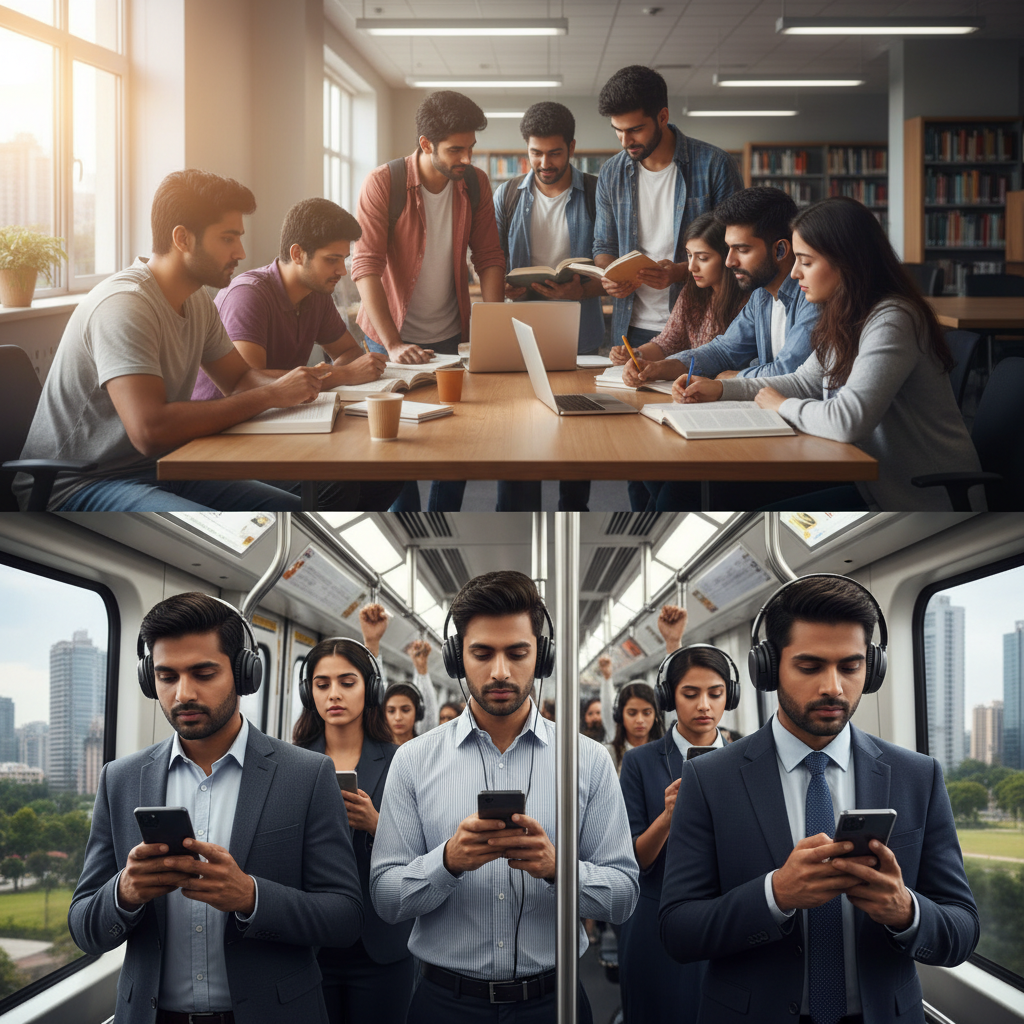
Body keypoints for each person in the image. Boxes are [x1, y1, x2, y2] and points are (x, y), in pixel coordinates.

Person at [659, 574, 980, 1024]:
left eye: (850, 667)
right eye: (810, 667)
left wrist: (905, 911)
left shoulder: (917, 776)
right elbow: (678, 930)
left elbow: (962, 928)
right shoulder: (708, 779)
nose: (834, 687)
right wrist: (776, 894)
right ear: (768, 670)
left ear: (871, 669)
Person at [68, 593, 364, 1023]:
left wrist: (251, 897)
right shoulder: (121, 778)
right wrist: (126, 892)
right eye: (166, 676)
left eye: (203, 673)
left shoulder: (307, 774)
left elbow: (345, 917)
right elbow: (83, 927)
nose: (183, 693)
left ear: (244, 674)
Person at [369, 570, 638, 1023]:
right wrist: (448, 861)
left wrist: (559, 870)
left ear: (542, 657)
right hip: (443, 1002)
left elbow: (624, 896)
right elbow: (386, 898)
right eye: (481, 653)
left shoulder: (587, 761)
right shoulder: (413, 760)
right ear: (457, 659)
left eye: (517, 653)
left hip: (555, 1001)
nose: (499, 671)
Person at [16, 170, 334, 512]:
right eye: (228, 238)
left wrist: (296, 388)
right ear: (182, 238)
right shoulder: (125, 305)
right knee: (230, 535)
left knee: (297, 514)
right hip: (79, 483)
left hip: (164, 467)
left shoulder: (196, 299)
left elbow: (239, 379)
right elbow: (149, 431)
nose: (241, 252)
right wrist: (271, 394)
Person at [676, 196, 985, 512]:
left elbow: (847, 420)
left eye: (806, 262)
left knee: (720, 496)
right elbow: (803, 381)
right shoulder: (847, 316)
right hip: (867, 479)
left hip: (916, 496)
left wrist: (782, 406)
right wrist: (720, 389)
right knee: (711, 492)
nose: (794, 273)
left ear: (847, 262)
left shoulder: (893, 319)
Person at [191, 196, 402, 512]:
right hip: (225, 436)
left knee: (390, 471)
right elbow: (249, 383)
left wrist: (339, 371)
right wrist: (342, 375)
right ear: (297, 254)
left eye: (344, 259)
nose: (342, 271)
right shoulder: (249, 295)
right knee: (336, 487)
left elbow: (347, 352)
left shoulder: (315, 294)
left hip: (278, 421)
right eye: (332, 259)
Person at [593, 65, 741, 510]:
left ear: (662, 116)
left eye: (634, 128)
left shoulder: (714, 164)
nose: (626, 141)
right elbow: (603, 245)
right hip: (638, 329)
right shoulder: (613, 172)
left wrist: (680, 272)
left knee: (687, 453)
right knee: (637, 458)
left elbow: (737, 249)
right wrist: (610, 275)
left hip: (710, 328)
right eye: (617, 131)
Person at [352, 91, 505, 513]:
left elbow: (489, 257)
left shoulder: (473, 182)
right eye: (455, 150)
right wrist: (394, 342)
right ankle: (407, 522)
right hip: (389, 336)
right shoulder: (384, 182)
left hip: (449, 335)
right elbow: (365, 264)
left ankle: (442, 517)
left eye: (470, 148)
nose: (466, 158)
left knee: (455, 445)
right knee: (395, 447)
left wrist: (489, 329)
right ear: (425, 145)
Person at [292, 636, 415, 1024]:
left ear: (370, 689)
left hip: (381, 944)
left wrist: (376, 823)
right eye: (322, 684)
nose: (334, 695)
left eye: (347, 682)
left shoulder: (402, 761)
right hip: (309, 943)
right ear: (308, 692)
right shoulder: (289, 762)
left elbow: (427, 854)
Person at [618, 644, 740, 1024]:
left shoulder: (748, 754)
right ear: (671, 698)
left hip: (734, 914)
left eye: (715, 694)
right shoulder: (640, 761)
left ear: (729, 697)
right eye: (690, 694)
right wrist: (669, 816)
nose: (704, 705)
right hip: (659, 920)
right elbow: (633, 857)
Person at [494, 101, 605, 513]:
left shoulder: (596, 192)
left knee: (577, 434)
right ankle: (516, 514)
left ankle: (573, 511)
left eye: (554, 153)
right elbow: (490, 258)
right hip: (522, 329)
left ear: (571, 148)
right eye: (535, 153)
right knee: (518, 434)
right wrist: (505, 286)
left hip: (580, 330)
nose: (544, 162)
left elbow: (611, 266)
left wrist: (580, 292)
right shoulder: (506, 194)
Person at [624, 186, 816, 385]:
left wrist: (731, 378)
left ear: (780, 250)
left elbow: (787, 372)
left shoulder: (812, 297)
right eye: (729, 249)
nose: (729, 262)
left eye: (742, 249)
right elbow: (723, 351)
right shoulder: (761, 294)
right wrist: (657, 368)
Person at [611, 212, 745, 369]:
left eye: (702, 258)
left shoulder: (748, 300)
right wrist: (635, 355)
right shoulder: (693, 291)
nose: (691, 267)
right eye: (689, 255)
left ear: (727, 257)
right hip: (694, 385)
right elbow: (667, 343)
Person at [608, 681, 664, 776]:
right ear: (620, 715)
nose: (640, 720)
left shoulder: (666, 753)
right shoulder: (608, 754)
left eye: (646, 713)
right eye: (632, 713)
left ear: (656, 715)